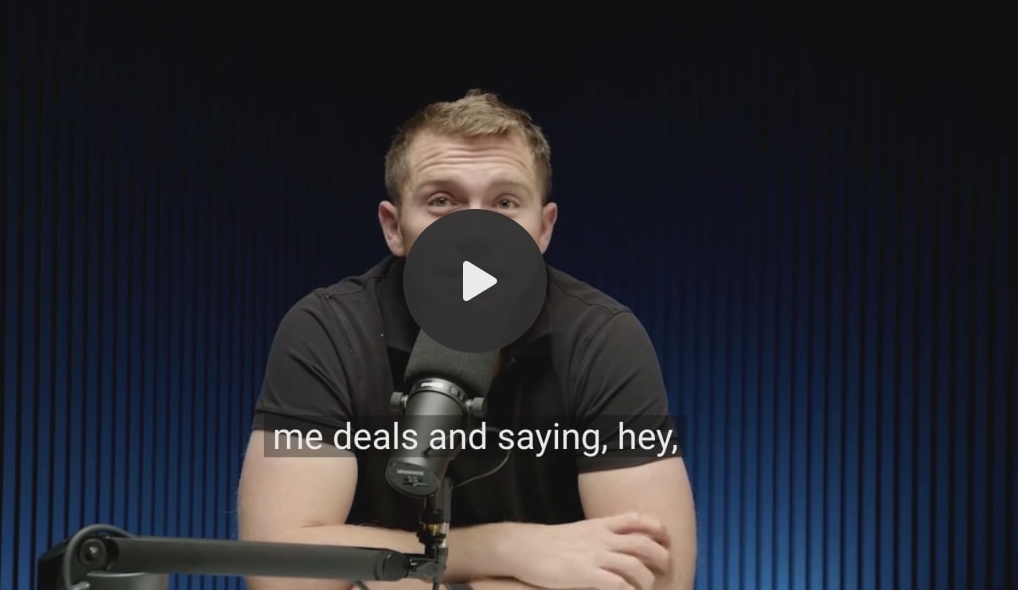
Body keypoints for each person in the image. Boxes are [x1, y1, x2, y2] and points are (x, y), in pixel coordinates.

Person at [237, 90, 697, 590]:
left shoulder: (604, 338)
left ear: (543, 230)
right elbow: (282, 572)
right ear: (394, 228)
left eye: (505, 203)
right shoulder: (326, 330)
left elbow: (656, 578)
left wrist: (391, 577)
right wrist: (509, 550)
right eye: (442, 202)